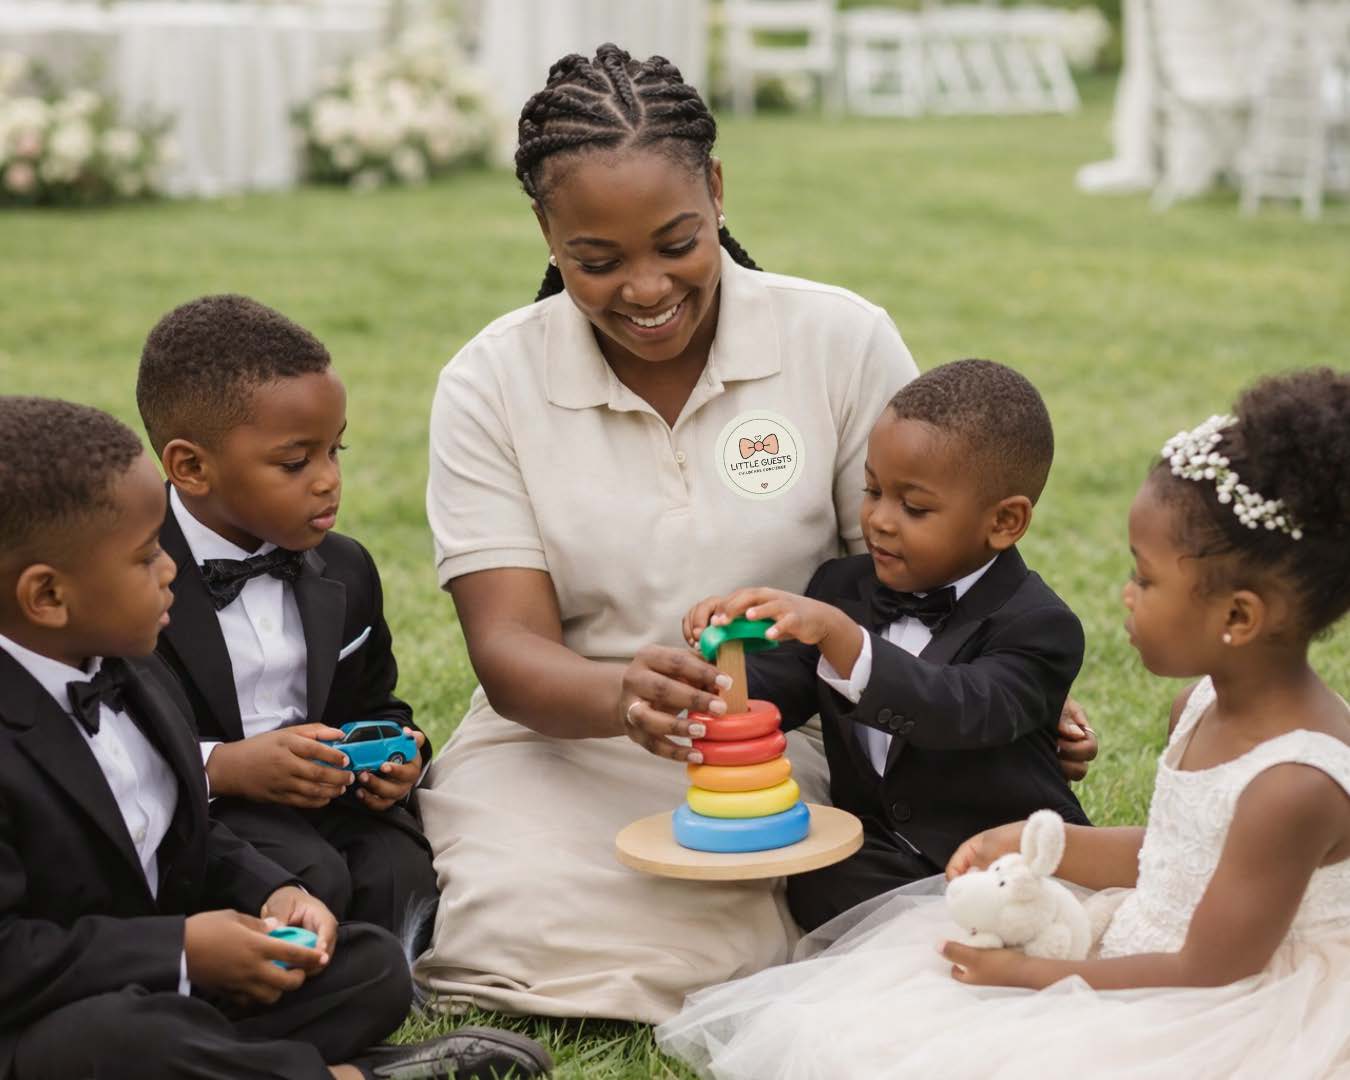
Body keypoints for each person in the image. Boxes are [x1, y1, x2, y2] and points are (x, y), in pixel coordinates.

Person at [416, 43, 1096, 1022]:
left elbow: (920, 572)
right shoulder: (490, 383)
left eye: (676, 243)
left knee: (738, 930)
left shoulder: (840, 339)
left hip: (786, 730)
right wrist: (626, 695)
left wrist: (998, 705)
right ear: (545, 232)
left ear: (720, 193)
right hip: (562, 734)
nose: (645, 290)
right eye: (595, 262)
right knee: (528, 923)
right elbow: (508, 650)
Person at [656, 367, 1350, 1079]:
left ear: (1238, 616)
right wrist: (716, 678)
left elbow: (1210, 968)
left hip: (1225, 999)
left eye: (1144, 579)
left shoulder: (1292, 782)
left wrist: (1030, 977)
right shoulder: (1197, 705)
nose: (1126, 595)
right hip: (962, 876)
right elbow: (1180, 849)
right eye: (871, 492)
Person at [0, 397, 551, 1080]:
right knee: (117, 1042)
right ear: (47, 597)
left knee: (370, 966)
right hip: (45, 1018)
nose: (170, 569)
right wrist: (180, 950)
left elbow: (188, 828)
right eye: (146, 559)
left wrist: (273, 893)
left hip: (160, 991)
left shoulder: (130, 673)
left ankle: (244, 1064)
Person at [683, 359, 1089, 932]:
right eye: (872, 490)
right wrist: (719, 657)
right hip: (884, 857)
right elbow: (785, 687)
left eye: (914, 507)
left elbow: (958, 707)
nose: (878, 519)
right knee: (819, 880)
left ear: (1005, 522)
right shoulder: (840, 588)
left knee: (1012, 917)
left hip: (1006, 861)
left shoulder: (1040, 625)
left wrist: (845, 640)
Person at [135, 295, 438, 946]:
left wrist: (398, 754)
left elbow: (379, 701)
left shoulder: (344, 567)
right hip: (199, 812)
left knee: (402, 875)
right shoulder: (129, 578)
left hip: (327, 800)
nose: (328, 481)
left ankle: (381, 966)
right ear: (191, 467)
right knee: (310, 877)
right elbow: (102, 748)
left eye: (336, 450)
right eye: (296, 463)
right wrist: (226, 767)